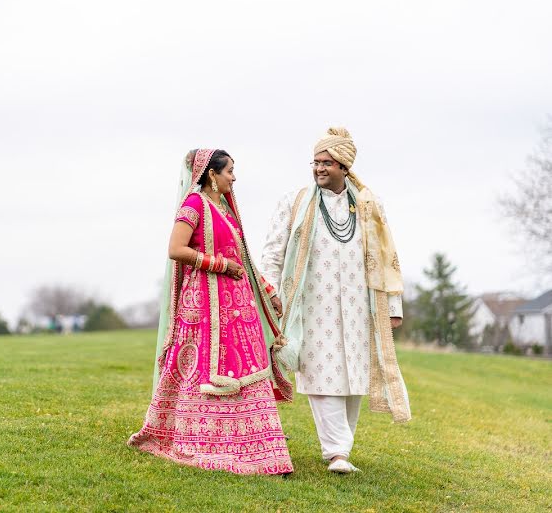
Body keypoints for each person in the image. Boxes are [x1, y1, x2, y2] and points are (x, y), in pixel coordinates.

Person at [128, 149, 294, 476]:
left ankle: (260, 447)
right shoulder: (193, 205)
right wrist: (217, 265)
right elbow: (176, 249)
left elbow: (242, 258)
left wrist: (268, 290)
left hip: (238, 308)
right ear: (211, 175)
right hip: (204, 305)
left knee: (248, 368)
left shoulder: (226, 210)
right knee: (202, 369)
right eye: (229, 171)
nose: (234, 177)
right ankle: (202, 440)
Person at [261, 127, 411, 475]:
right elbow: (272, 254)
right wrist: (271, 294)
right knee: (320, 373)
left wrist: (392, 308)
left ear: (344, 166)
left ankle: (341, 448)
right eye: (315, 162)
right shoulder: (294, 202)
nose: (319, 169)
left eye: (327, 163)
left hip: (360, 306)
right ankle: (337, 453)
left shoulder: (369, 205)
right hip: (311, 306)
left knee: (353, 377)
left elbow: (388, 257)